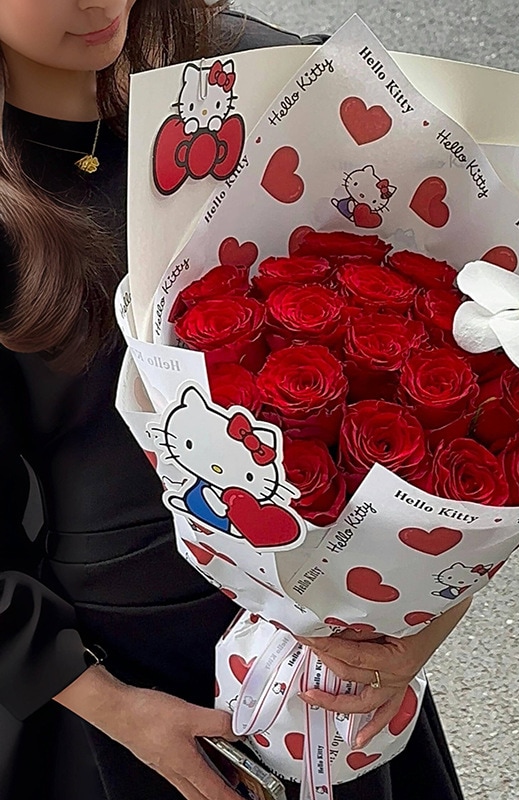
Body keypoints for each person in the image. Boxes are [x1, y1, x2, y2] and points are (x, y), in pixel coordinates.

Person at [0, 3, 467, 799]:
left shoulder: (253, 73)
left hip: (334, 615)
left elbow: (426, 329)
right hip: (125, 662)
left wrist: (421, 620)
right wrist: (120, 711)